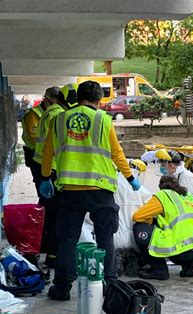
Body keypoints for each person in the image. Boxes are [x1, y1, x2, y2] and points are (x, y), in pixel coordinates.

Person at [39, 80, 141, 300]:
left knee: (68, 240)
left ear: (77, 98)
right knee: (105, 239)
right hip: (100, 190)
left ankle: (62, 288)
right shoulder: (103, 120)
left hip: (70, 190)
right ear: (99, 100)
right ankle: (110, 287)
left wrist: (46, 178)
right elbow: (117, 154)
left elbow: (48, 153)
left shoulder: (59, 120)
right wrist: (131, 178)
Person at [31, 84, 78, 267]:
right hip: (50, 169)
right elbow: (54, 146)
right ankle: (53, 255)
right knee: (56, 215)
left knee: (48, 212)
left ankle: (46, 248)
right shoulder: (58, 116)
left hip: (43, 167)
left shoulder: (49, 112)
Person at [132, 175, 193, 280]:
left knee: (139, 227)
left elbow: (137, 216)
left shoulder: (163, 195)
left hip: (181, 250)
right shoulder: (191, 197)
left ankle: (159, 269)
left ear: (161, 187)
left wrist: (152, 221)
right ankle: (189, 264)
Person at [22, 87, 59, 181]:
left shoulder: (57, 113)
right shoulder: (33, 114)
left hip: (52, 160)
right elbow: (34, 139)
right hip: (37, 159)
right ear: (45, 99)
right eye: (53, 101)